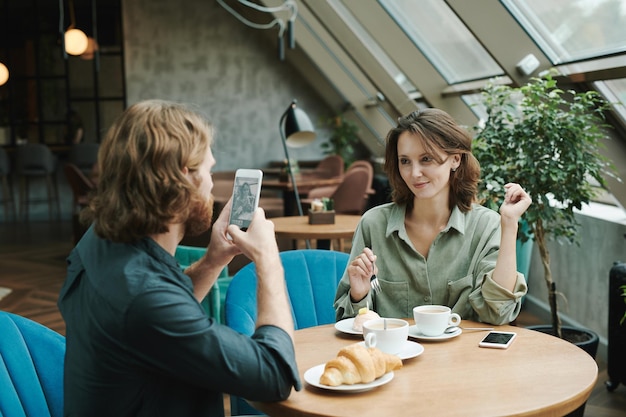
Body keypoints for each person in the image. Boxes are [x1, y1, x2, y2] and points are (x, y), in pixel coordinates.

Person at [58, 100, 300, 416]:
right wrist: (268, 258)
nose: (213, 184)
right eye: (209, 170)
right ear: (184, 177)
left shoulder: (101, 240)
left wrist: (214, 260)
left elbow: (162, 315)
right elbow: (276, 375)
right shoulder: (145, 298)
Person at [334, 108, 532, 326]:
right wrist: (359, 295)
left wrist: (510, 223)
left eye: (426, 159)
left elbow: (498, 313)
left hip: (465, 357)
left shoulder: (486, 225)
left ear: (455, 159)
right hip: (393, 357)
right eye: (405, 161)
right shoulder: (373, 224)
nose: (414, 173)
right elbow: (349, 321)